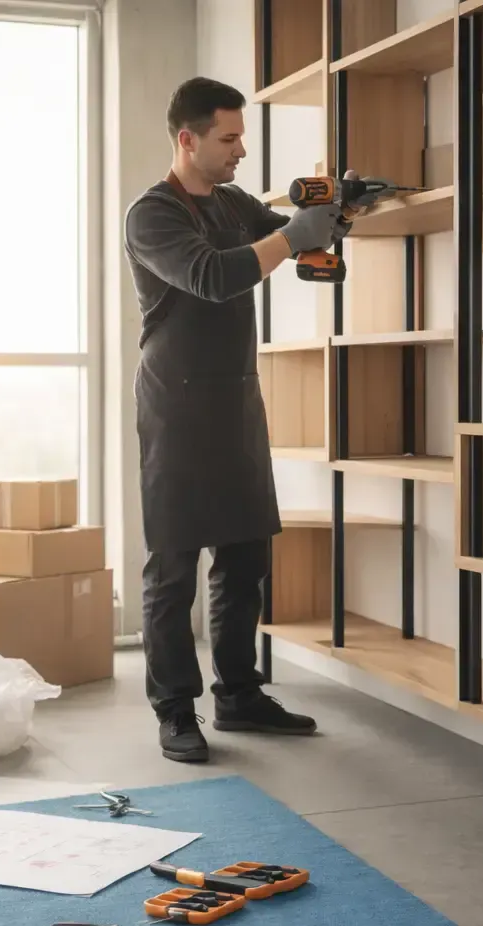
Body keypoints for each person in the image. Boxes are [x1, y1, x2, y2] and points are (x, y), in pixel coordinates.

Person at [123, 77, 349, 763]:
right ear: (187, 139)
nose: (240, 150)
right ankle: (174, 711)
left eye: (241, 136)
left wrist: (337, 208)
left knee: (246, 554)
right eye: (229, 138)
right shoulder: (152, 215)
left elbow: (279, 234)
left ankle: (239, 696)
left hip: (235, 401)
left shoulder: (230, 203)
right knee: (174, 565)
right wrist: (297, 236)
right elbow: (215, 276)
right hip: (177, 409)